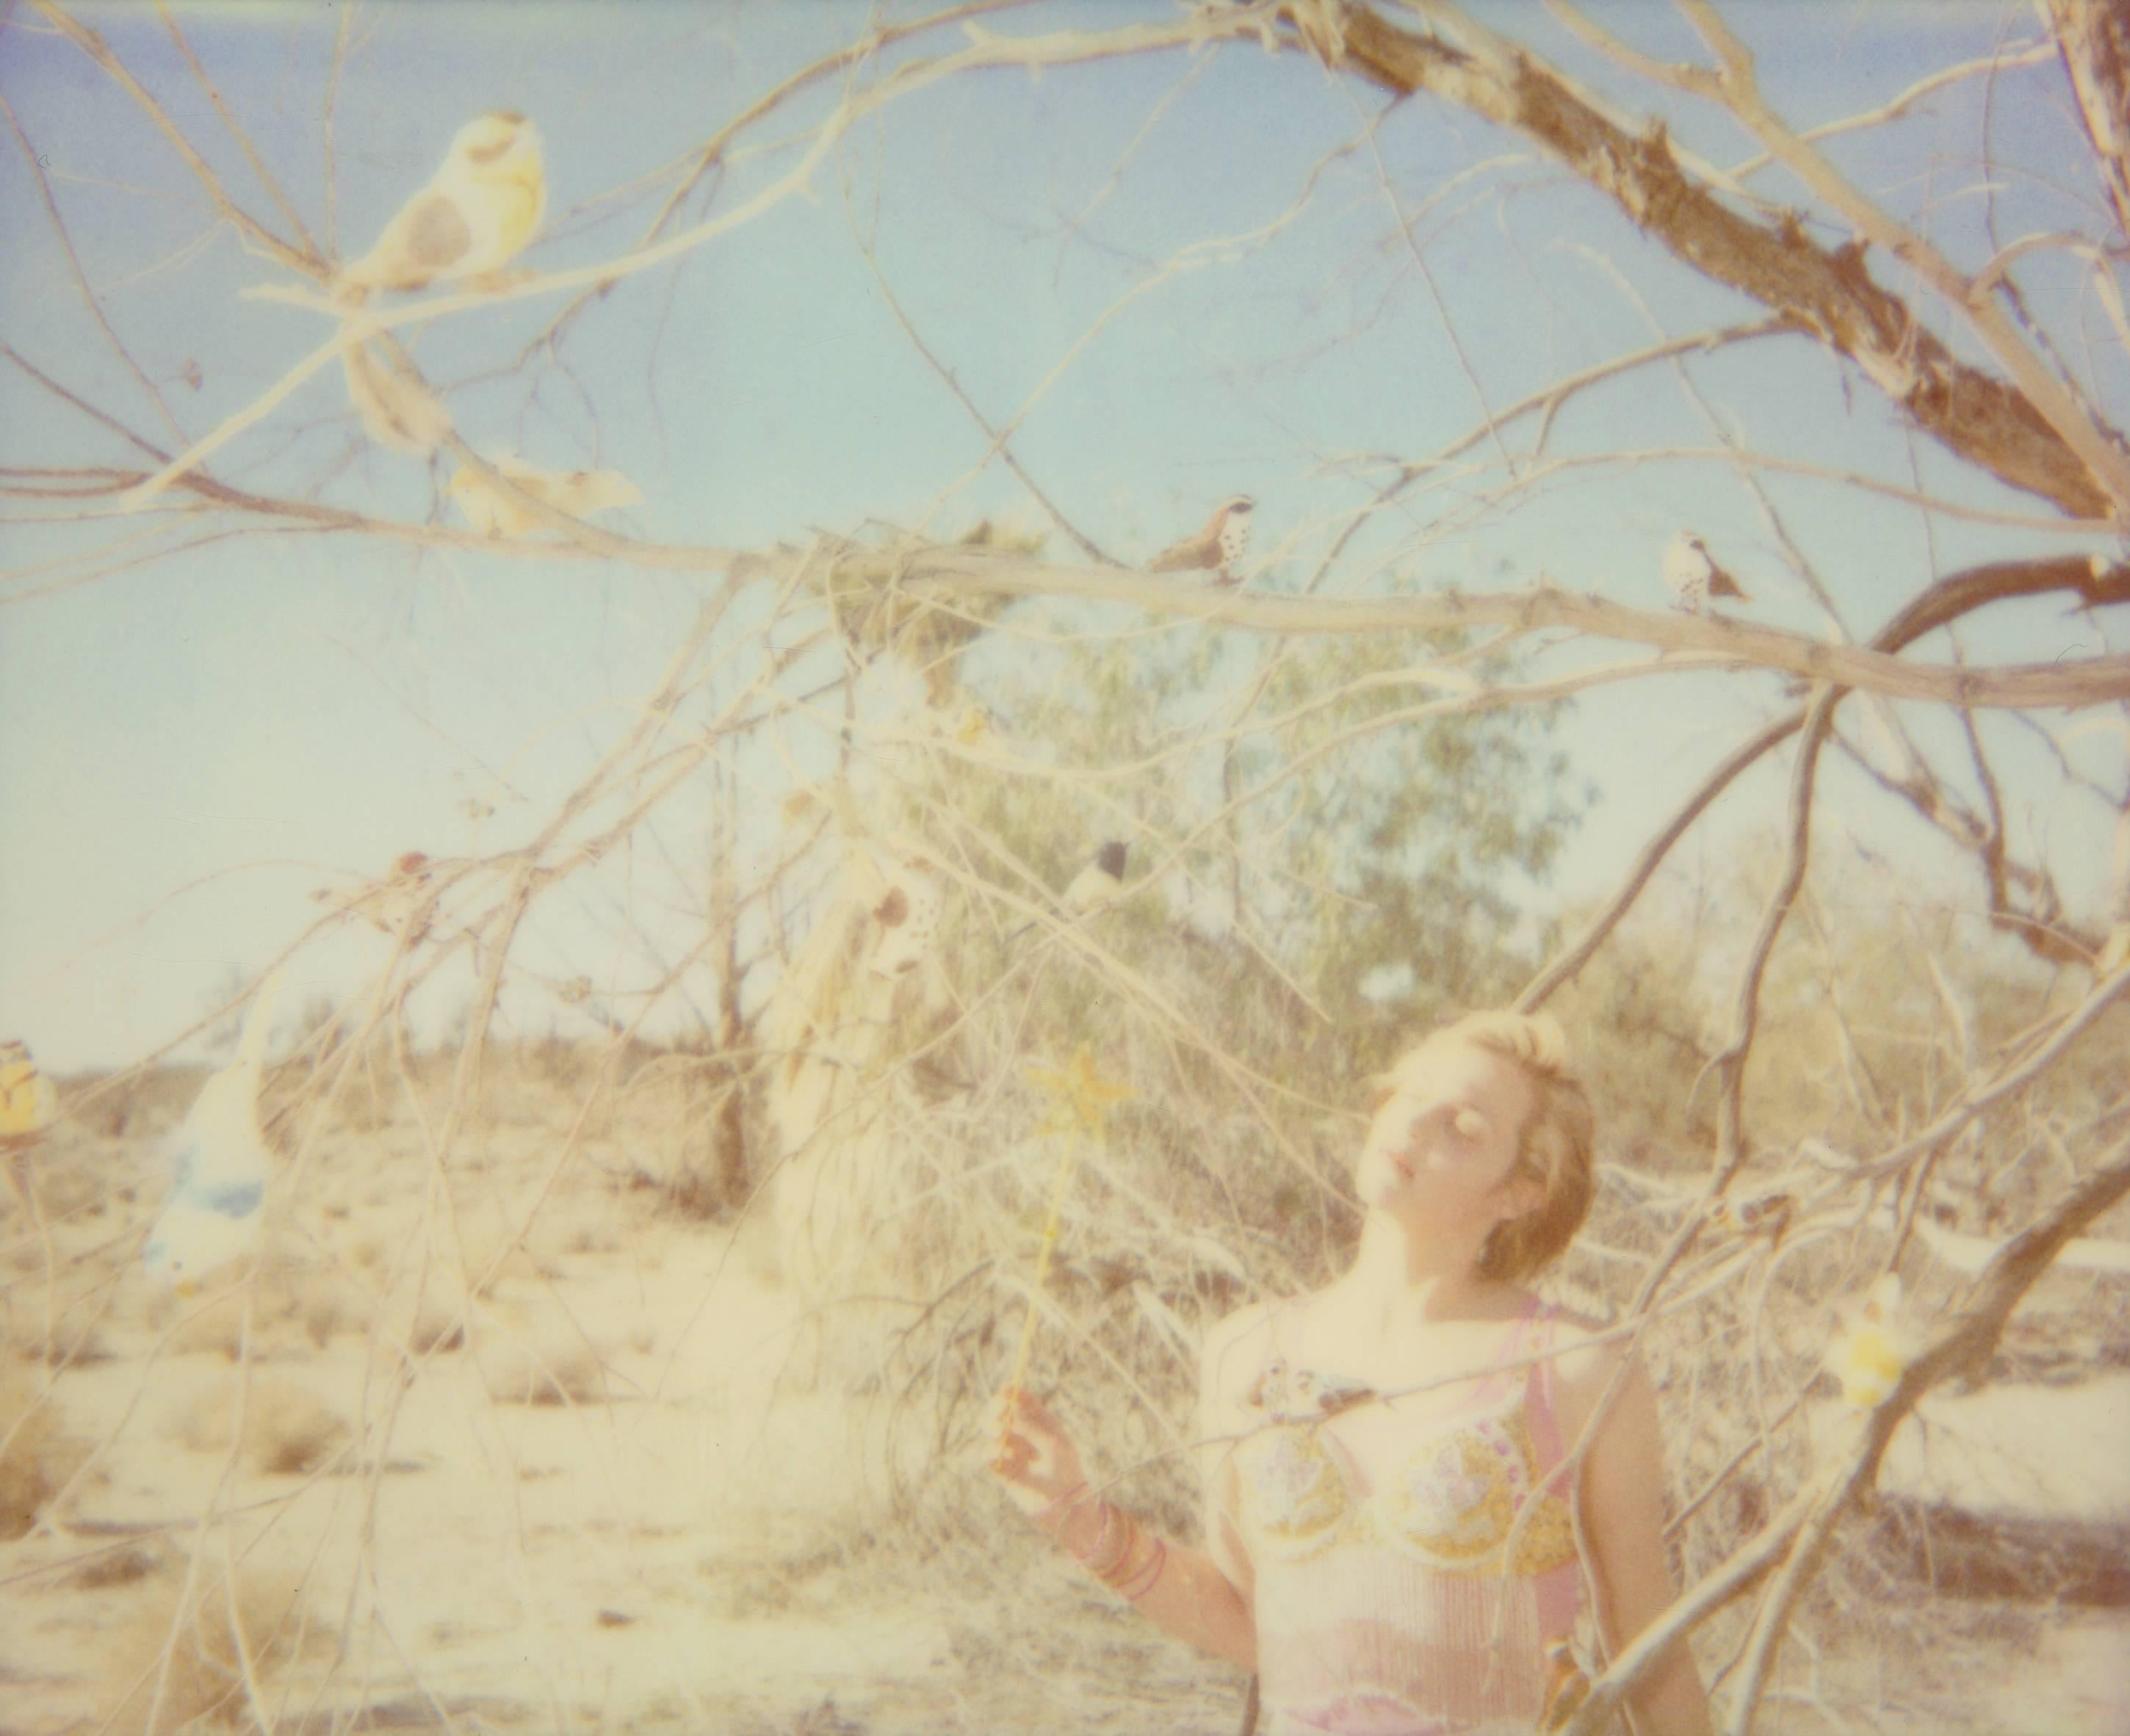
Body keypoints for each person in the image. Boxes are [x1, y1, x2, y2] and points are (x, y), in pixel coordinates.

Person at [991, 1010, 1713, 1735]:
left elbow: (1649, 1654)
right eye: (1410, 1095)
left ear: (1520, 1191)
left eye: (1463, 1127)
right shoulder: (1245, 1353)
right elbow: (1251, 1625)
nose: (1417, 1125)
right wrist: (1081, 1520)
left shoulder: (1573, 1366)